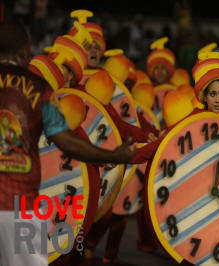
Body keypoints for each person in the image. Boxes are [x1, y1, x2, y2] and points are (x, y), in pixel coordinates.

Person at [0, 21, 137, 266]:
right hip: (20, 207)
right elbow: (66, 141)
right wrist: (114, 155)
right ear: (24, 53)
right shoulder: (39, 89)